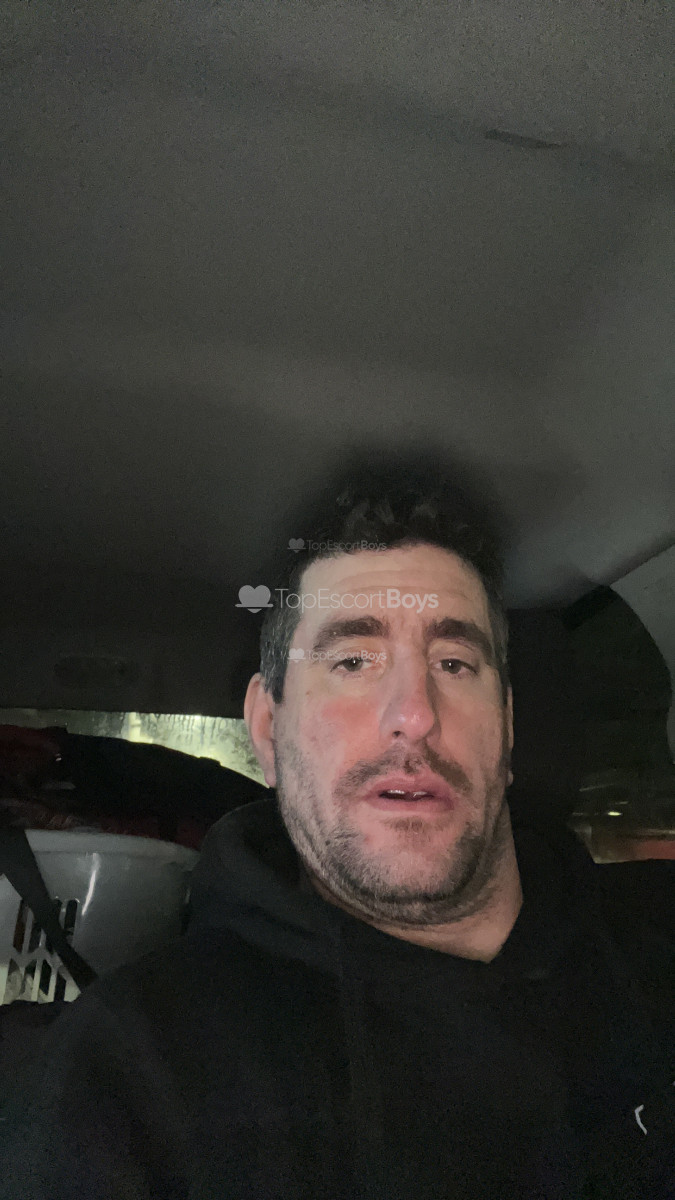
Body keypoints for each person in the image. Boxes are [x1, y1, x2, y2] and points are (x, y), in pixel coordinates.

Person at [0, 477, 673, 1200]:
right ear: (268, 730)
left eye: (453, 663)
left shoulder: (655, 935)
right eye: (353, 661)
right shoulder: (135, 1070)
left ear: (506, 728)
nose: (414, 714)